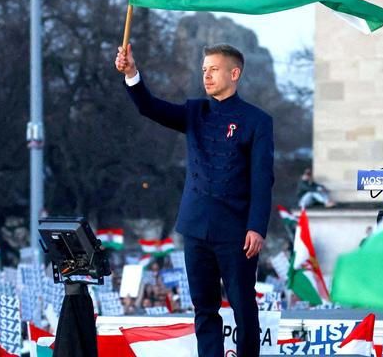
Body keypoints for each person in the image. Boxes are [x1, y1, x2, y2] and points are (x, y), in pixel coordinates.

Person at [116, 42, 274, 357]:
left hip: (237, 232)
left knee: (244, 310)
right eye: (204, 70)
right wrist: (132, 73)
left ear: (235, 73)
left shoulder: (257, 120)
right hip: (196, 228)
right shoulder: (195, 112)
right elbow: (149, 106)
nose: (207, 75)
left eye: (214, 69)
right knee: (204, 308)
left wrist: (256, 227)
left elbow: (262, 179)